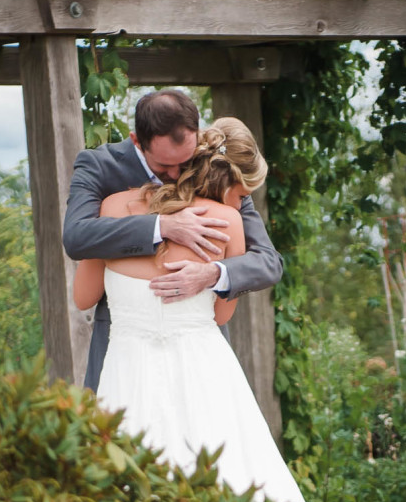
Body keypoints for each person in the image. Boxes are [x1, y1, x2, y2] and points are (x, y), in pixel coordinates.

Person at [73, 117, 396, 502]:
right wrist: (202, 277)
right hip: (206, 377)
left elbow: (83, 297)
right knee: (240, 494)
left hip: (131, 377)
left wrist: (139, 261)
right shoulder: (224, 220)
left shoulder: (114, 208)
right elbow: (221, 318)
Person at [62, 89, 283, 391]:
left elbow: (269, 262)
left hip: (197, 352)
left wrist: (214, 274)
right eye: (164, 166)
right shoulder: (101, 167)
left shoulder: (216, 173)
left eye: (185, 162)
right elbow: (76, 237)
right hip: (123, 354)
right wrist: (160, 226)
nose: (177, 174)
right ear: (137, 141)